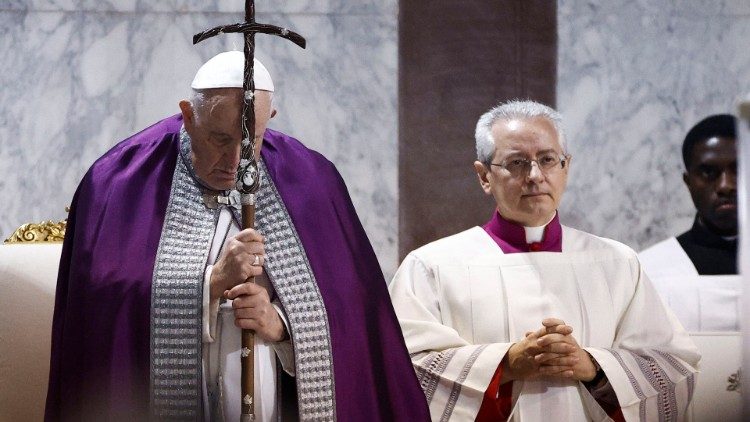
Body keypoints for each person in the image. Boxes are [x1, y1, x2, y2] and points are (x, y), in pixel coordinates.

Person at [45, 51, 430, 421]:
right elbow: (99, 311)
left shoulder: (312, 179)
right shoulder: (121, 180)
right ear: (188, 115)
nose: (235, 163)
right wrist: (209, 284)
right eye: (219, 139)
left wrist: (281, 324)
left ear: (270, 118)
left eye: (251, 142)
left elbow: (354, 310)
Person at [388, 100, 700, 421]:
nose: (535, 176)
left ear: (566, 166)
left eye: (548, 159)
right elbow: (401, 369)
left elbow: (671, 364)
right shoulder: (431, 266)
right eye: (517, 163)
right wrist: (505, 365)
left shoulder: (617, 263)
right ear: (484, 176)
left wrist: (593, 367)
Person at [639, 114, 740, 332]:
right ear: (688, 182)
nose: (725, 185)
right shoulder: (649, 270)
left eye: (739, 170)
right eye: (709, 172)